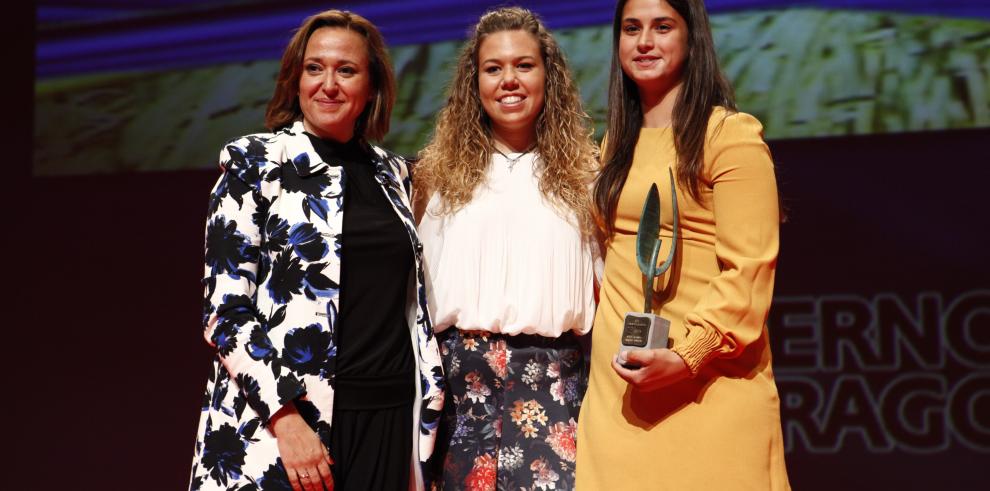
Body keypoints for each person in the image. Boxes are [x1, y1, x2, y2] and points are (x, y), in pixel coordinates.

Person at [189, 10, 445, 491]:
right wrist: (285, 418)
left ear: (372, 87)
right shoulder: (255, 161)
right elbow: (225, 312)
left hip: (387, 417)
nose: (328, 84)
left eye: (346, 70)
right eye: (314, 68)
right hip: (288, 424)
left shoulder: (395, 174)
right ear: (296, 79)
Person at [575, 0, 791, 489]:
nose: (645, 42)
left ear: (692, 38)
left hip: (708, 387)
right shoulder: (612, 148)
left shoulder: (730, 137)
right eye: (632, 29)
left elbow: (749, 269)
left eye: (662, 27)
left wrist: (688, 355)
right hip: (620, 398)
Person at [414, 7, 599, 491]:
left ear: (548, 75)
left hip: (555, 392)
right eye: (493, 68)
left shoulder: (587, 180)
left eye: (524, 65)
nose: (508, 80)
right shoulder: (434, 180)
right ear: (474, 83)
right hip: (457, 400)